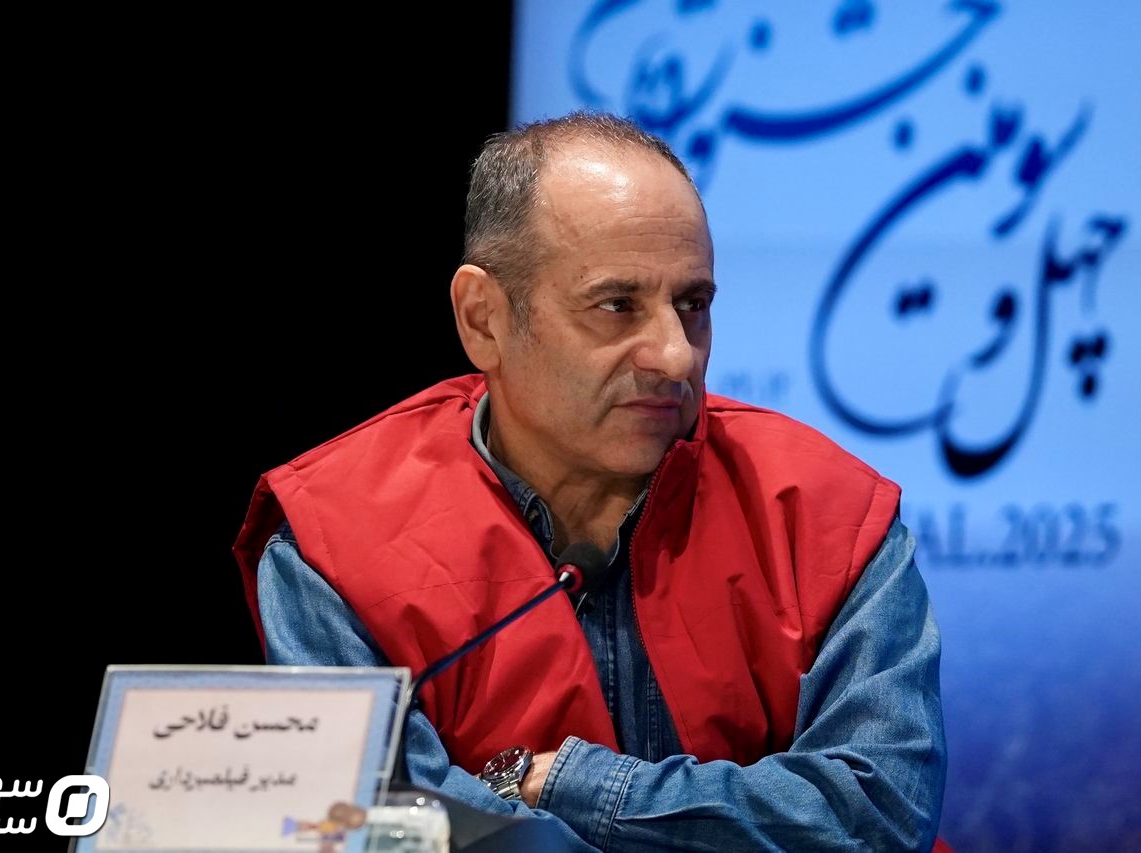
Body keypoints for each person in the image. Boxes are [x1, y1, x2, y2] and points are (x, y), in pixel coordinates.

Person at [233, 112, 946, 852]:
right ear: (484, 320)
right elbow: (381, 826)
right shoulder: (335, 537)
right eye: (617, 305)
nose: (676, 355)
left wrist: (572, 784)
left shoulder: (828, 511)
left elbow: (879, 813)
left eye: (693, 305)